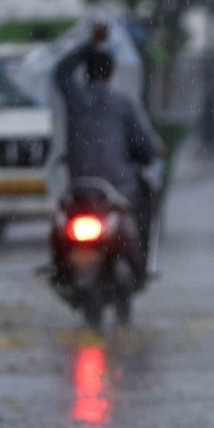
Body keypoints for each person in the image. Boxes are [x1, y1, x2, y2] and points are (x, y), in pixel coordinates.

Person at [52, 22, 163, 285]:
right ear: (112, 73)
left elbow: (60, 72)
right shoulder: (123, 104)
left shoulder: (74, 99)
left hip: (79, 188)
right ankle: (142, 268)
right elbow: (144, 146)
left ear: (85, 73)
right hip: (119, 189)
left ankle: (59, 271)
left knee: (58, 217)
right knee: (147, 205)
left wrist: (87, 46)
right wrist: (151, 152)